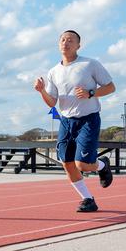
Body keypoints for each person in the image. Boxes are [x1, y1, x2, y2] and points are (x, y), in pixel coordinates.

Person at [34, 30, 115, 213]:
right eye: (63, 40)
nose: (66, 42)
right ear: (58, 44)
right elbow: (52, 102)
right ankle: (88, 199)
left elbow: (111, 86)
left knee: (83, 165)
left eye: (70, 40)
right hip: (66, 121)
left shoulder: (89, 64)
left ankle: (102, 165)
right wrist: (41, 91)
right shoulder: (53, 72)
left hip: (88, 119)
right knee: (67, 163)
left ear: (78, 45)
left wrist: (91, 93)